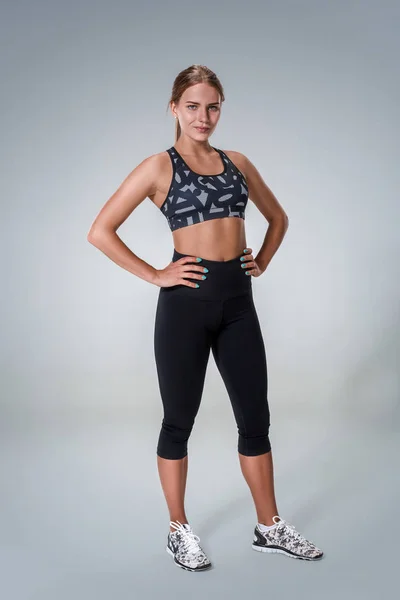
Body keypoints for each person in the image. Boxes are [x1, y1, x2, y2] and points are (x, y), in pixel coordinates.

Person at [87, 64, 324, 572]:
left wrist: (262, 259)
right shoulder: (158, 167)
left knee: (255, 419)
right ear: (174, 108)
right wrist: (155, 274)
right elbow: (100, 230)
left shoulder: (236, 161)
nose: (204, 116)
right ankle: (179, 529)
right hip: (185, 307)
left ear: (221, 108)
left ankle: (270, 526)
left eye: (213, 106)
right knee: (178, 421)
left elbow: (278, 217)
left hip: (239, 305)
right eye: (193, 106)